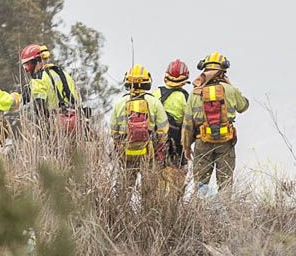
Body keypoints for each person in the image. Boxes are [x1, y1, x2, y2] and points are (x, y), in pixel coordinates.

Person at [184, 52, 250, 197]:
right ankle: (225, 210)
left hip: (202, 142)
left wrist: (187, 146)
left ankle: (200, 209)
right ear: (223, 71)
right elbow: (243, 106)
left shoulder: (195, 93)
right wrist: (230, 86)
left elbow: (188, 122)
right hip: (225, 142)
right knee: (225, 184)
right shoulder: (230, 90)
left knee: (201, 184)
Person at [106, 64, 168, 186]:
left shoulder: (120, 103)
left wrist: (119, 146)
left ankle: (122, 199)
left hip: (126, 153)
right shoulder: (155, 102)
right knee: (148, 189)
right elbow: (163, 131)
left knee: (124, 188)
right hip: (148, 153)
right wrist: (157, 148)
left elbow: (113, 132)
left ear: (128, 83)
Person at [153, 59, 193, 198]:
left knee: (157, 176)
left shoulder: (156, 93)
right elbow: (189, 123)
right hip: (177, 144)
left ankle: (157, 202)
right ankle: (172, 204)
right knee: (177, 178)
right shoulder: (184, 97)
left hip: (157, 142)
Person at [20, 43, 81, 132]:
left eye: (27, 65)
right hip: (76, 122)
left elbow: (39, 108)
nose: (27, 70)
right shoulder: (64, 74)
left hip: (56, 126)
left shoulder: (38, 78)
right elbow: (76, 99)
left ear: (36, 61)